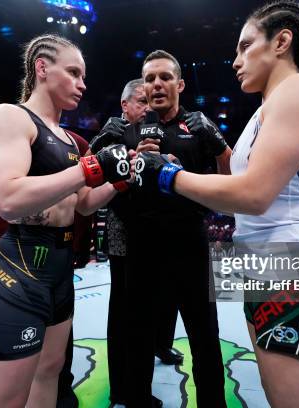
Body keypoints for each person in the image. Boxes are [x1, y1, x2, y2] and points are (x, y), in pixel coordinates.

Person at [134, 2, 299, 407]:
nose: (235, 61)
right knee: (275, 395)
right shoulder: (265, 108)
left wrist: (167, 176)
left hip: (289, 259)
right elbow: (238, 192)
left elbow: (254, 195)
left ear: (282, 41)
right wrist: (179, 170)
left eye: (245, 46)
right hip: (258, 256)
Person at [0, 33, 131, 408]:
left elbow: (83, 205)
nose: (83, 84)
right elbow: (8, 200)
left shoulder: (70, 139)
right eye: (74, 73)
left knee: (50, 371)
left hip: (61, 267)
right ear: (42, 68)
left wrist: (124, 178)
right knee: (4, 398)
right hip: (21, 265)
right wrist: (93, 167)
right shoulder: (10, 117)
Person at [96, 49, 231, 407]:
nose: (157, 84)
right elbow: (91, 188)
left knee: (204, 335)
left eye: (165, 77)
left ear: (180, 84)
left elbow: (231, 184)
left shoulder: (199, 127)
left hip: (190, 243)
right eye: (150, 78)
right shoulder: (129, 130)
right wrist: (104, 145)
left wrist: (220, 149)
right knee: (137, 334)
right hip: (142, 246)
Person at [0, 137, 92, 408]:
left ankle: (61, 391)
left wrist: (80, 242)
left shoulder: (76, 141)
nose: (82, 90)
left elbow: (82, 202)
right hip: (15, 246)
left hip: (60, 250)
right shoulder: (13, 126)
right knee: (7, 340)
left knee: (54, 354)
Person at [91, 78, 183, 407]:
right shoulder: (114, 133)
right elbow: (85, 182)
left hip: (158, 233)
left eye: (150, 102)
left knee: (156, 305)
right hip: (124, 234)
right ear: (125, 105)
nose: (148, 108)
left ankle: (150, 361)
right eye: (141, 102)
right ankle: (123, 389)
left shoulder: (156, 132)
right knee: (124, 313)